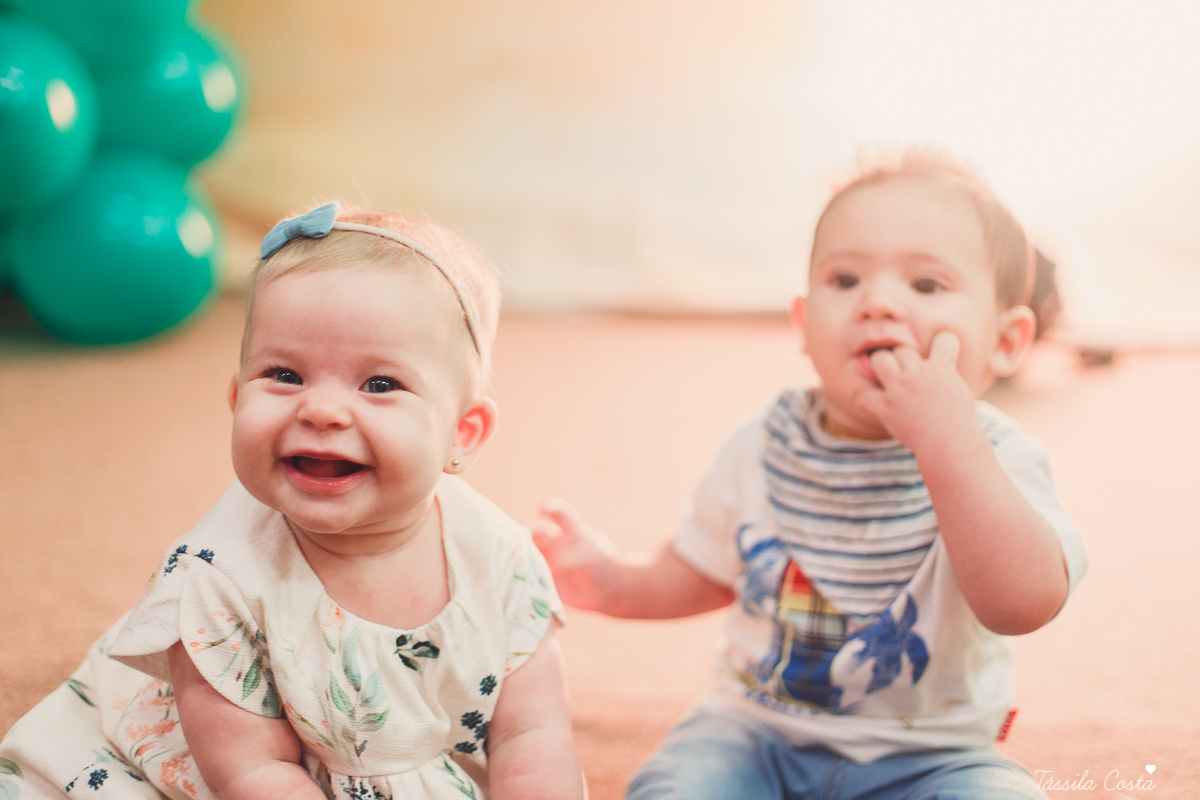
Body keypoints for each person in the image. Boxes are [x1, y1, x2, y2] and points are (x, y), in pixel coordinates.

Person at [532, 150, 1086, 800]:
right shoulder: (763, 443)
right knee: (677, 784)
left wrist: (949, 443)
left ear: (1007, 341)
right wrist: (612, 582)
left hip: (935, 755)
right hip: (755, 735)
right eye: (845, 279)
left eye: (927, 285)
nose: (877, 302)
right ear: (802, 324)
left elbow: (1022, 604)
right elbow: (706, 568)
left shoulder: (1001, 457)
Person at [0, 202, 583, 800]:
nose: (321, 409)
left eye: (380, 384)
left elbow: (533, 735)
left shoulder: (501, 560)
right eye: (284, 375)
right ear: (236, 397)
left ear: (462, 433)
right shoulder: (215, 579)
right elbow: (252, 773)